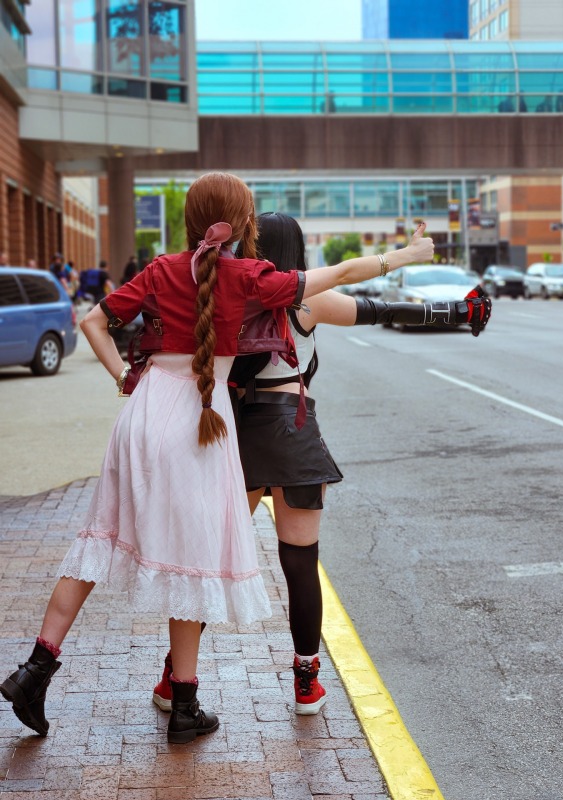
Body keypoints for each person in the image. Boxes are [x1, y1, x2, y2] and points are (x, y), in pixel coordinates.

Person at [0, 172, 436, 744]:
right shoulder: (247, 276)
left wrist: (125, 382)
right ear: (245, 223)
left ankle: (35, 669)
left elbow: (93, 322)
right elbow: (343, 275)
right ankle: (184, 703)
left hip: (144, 411)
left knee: (97, 538)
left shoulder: (159, 268)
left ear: (188, 221)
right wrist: (406, 253)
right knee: (193, 556)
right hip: (200, 418)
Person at [151, 211, 490, 717]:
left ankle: (174, 682)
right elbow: (385, 310)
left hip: (237, 434)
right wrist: (464, 314)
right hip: (294, 433)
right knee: (300, 564)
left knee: (210, 565)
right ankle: (306, 684)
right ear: (299, 250)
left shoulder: (232, 292)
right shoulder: (304, 297)